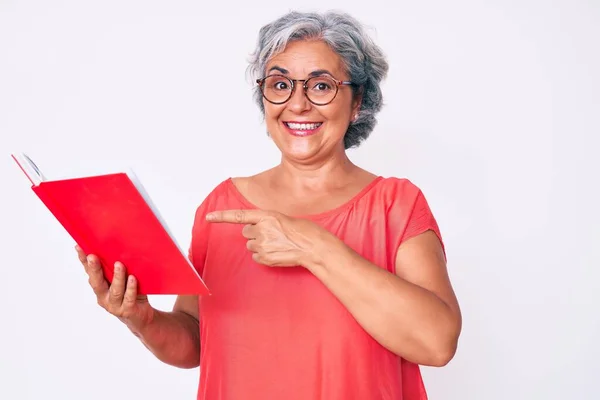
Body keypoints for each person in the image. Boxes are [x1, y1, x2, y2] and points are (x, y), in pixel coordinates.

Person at [75, 10, 462, 400]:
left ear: (357, 100)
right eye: (280, 84)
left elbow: (436, 342)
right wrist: (142, 319)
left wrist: (314, 246)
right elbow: (194, 338)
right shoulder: (221, 207)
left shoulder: (396, 204)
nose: (297, 104)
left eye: (321, 86)